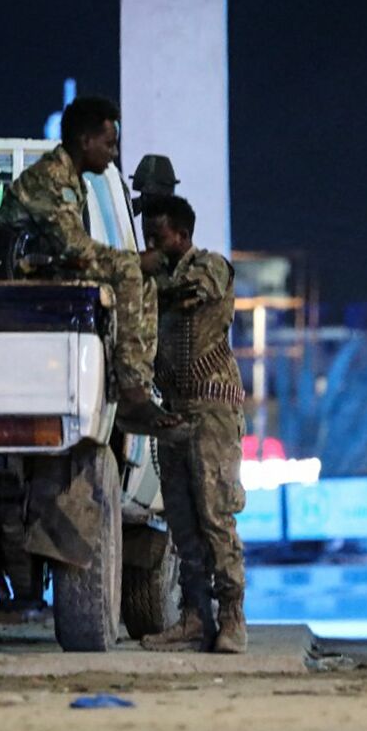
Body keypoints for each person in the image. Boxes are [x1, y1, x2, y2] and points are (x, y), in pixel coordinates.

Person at [0, 95, 187, 440]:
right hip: (22, 279)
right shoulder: (52, 177)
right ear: (85, 141)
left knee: (139, 278)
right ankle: (131, 392)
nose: (113, 153)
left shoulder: (72, 178)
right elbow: (75, 248)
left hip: (42, 272)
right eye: (109, 144)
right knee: (130, 271)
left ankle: (135, 384)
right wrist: (134, 260)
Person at [137, 195, 248, 653]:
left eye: (159, 238)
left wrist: (137, 276)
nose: (153, 246)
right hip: (175, 409)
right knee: (182, 524)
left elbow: (190, 296)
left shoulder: (211, 267)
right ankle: (194, 616)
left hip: (213, 410)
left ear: (181, 236)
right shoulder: (153, 276)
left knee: (215, 517)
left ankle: (232, 619)